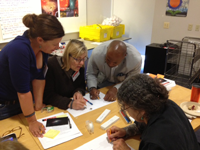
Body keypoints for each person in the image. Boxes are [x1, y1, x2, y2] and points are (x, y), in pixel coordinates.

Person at [0, 14, 64, 137]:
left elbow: (39, 77)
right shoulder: (19, 49)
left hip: (22, 103)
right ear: (40, 39)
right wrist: (32, 121)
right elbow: (23, 92)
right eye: (55, 44)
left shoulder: (41, 48)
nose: (58, 47)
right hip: (5, 105)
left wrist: (38, 105)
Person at [106, 74, 200, 150]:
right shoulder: (168, 105)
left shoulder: (152, 142)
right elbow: (148, 122)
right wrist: (126, 131)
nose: (127, 112)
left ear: (141, 110)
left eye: (126, 108)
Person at [43, 39, 87, 110]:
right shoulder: (52, 65)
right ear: (68, 56)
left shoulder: (79, 66)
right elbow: (48, 96)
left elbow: (81, 85)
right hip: (55, 108)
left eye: (84, 59)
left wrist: (78, 92)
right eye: (78, 59)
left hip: (72, 108)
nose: (82, 63)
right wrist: (70, 103)